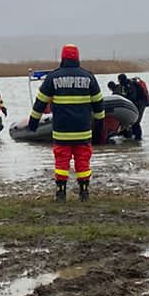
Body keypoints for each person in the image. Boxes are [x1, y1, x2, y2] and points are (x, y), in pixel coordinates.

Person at [27, 44, 105, 200]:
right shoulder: (88, 77)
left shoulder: (53, 78)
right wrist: (100, 126)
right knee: (82, 160)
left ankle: (61, 192)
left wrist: (33, 123)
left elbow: (40, 103)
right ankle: (84, 192)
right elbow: (98, 104)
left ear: (62, 58)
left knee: (62, 161)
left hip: (61, 131)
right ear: (77, 57)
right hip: (83, 130)